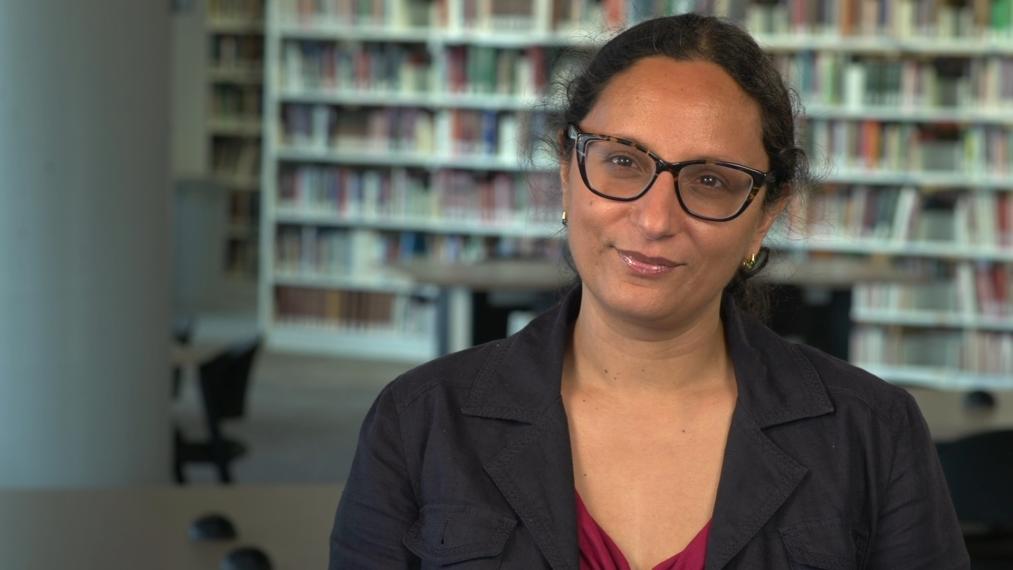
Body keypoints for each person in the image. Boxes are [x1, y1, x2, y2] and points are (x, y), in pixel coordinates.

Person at [329, 13, 969, 569]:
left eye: (711, 181)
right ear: (567, 170)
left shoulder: (875, 433)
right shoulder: (417, 421)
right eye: (622, 162)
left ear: (767, 212)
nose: (656, 218)